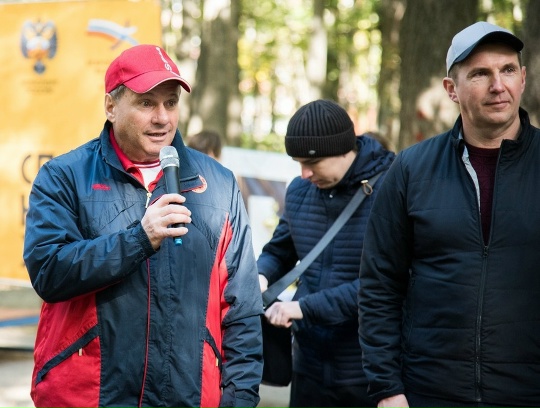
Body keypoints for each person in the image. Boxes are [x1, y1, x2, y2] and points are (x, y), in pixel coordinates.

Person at [23, 44, 263, 408]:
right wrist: (139, 239)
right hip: (85, 396)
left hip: (189, 396)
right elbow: (49, 272)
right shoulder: (63, 176)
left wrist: (240, 399)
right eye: (146, 103)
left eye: (171, 103)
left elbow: (241, 307)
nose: (162, 118)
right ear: (111, 106)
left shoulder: (219, 185)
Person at [359, 21, 540, 408]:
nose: (498, 85)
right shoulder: (411, 169)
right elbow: (379, 286)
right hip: (428, 392)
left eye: (508, 70)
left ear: (523, 78)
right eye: (480, 74)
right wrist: (387, 388)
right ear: (451, 89)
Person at [257, 99, 395, 408]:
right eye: (298, 163)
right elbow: (279, 251)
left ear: (343, 150)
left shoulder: (392, 190)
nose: (304, 173)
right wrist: (261, 276)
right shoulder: (299, 191)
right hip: (308, 367)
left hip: (368, 372)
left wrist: (304, 308)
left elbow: (385, 284)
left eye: (312, 162)